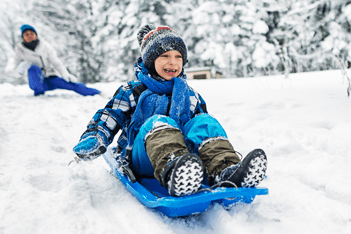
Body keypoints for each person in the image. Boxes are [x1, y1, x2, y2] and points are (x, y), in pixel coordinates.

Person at [73, 25, 267, 197]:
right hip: (142, 158)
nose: (172, 63)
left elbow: (199, 131)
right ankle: (176, 173)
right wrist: (95, 136)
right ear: (150, 61)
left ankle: (225, 170)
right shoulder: (132, 91)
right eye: (164, 56)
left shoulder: (190, 95)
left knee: (204, 122)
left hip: (187, 160)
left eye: (178, 57)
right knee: (158, 122)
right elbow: (109, 116)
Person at [14, 24, 101, 97]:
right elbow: (15, 72)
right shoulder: (19, 49)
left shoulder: (44, 46)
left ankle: (96, 93)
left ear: (36, 35)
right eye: (26, 34)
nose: (29, 36)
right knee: (33, 68)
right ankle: (39, 94)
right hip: (37, 83)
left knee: (71, 85)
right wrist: (20, 70)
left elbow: (56, 62)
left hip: (51, 78)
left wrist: (65, 73)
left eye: (31, 33)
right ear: (23, 37)